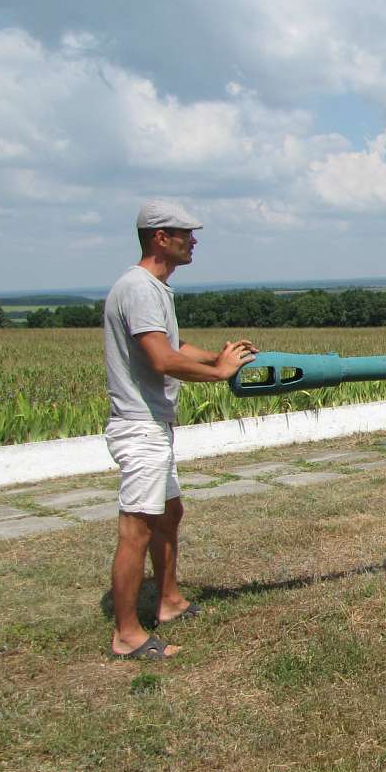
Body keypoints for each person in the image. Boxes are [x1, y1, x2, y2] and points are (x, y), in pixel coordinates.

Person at [103, 200, 256, 659]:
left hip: (154, 424)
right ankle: (127, 635)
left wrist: (216, 355)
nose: (194, 241)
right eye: (185, 233)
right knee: (137, 528)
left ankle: (168, 600)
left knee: (169, 514)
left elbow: (174, 344)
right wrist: (221, 373)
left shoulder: (154, 289)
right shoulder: (140, 288)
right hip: (141, 425)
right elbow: (162, 359)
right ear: (159, 238)